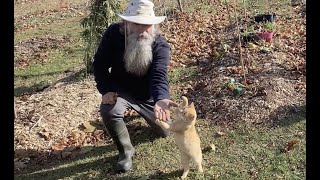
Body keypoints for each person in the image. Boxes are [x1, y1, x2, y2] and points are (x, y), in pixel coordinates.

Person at [92, 0, 178, 173]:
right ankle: (126, 151)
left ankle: (145, 114)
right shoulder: (113, 35)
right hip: (120, 91)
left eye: (146, 25)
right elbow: (99, 64)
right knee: (109, 110)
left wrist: (161, 98)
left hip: (147, 96)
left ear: (153, 26)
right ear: (126, 24)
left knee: (165, 132)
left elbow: (159, 75)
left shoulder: (160, 45)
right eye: (136, 24)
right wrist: (106, 89)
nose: (141, 30)